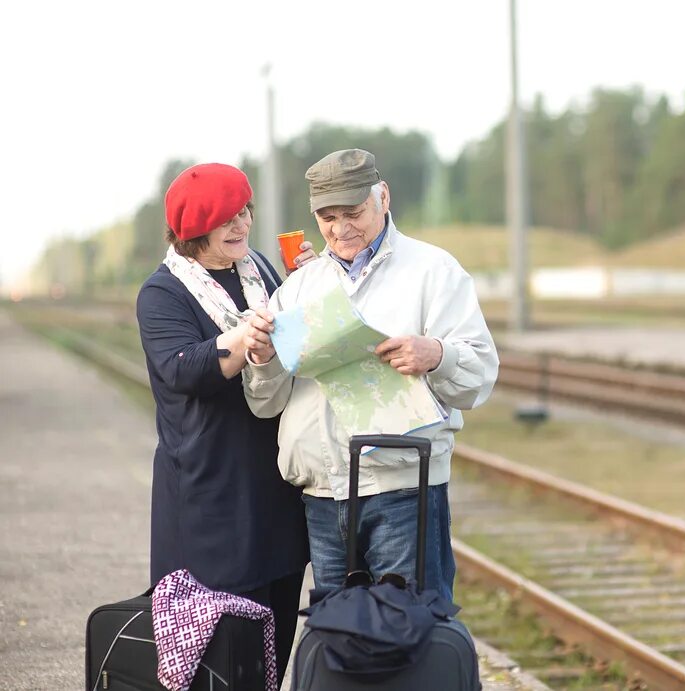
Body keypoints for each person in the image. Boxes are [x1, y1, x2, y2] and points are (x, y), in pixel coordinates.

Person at [241, 149, 498, 602]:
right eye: (327, 217)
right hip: (322, 498)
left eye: (353, 212)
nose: (341, 229)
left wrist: (437, 354)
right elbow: (266, 403)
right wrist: (262, 359)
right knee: (341, 646)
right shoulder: (298, 288)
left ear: (384, 197)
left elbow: (480, 375)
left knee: (410, 637)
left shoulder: (433, 271)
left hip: (404, 492)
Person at [135, 163, 312, 684]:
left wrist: (306, 288)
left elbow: (294, 344)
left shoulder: (258, 269)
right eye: (224, 219)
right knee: (220, 645)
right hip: (209, 497)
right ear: (192, 230)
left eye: (244, 212)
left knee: (275, 632)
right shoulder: (162, 293)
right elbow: (182, 369)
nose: (241, 225)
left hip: (275, 485)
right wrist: (245, 339)